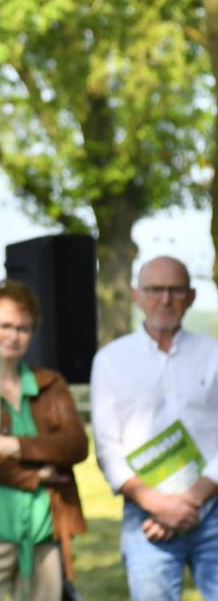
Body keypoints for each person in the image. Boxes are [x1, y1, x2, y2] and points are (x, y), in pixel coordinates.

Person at [91, 255, 218, 600]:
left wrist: (188, 501)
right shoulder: (110, 361)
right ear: (136, 295)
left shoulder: (214, 354)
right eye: (155, 289)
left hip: (214, 505)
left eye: (175, 290)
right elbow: (107, 448)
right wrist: (157, 503)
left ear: (191, 297)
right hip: (146, 513)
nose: (165, 299)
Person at [0, 280, 87, 601]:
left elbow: (75, 445)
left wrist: (14, 447)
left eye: (23, 328)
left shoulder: (49, 384)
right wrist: (38, 474)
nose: (13, 335)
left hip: (44, 534)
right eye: (3, 325)